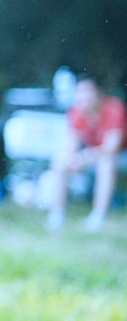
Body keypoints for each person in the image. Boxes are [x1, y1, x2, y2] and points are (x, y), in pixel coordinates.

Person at [46, 74, 127, 232]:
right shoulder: (75, 112)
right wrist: (71, 158)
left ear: (97, 92)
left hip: (120, 156)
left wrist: (85, 158)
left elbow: (112, 147)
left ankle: (98, 216)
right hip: (92, 156)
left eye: (87, 91)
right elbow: (71, 143)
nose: (84, 96)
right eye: (79, 91)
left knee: (106, 163)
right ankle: (56, 214)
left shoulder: (114, 108)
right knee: (60, 160)